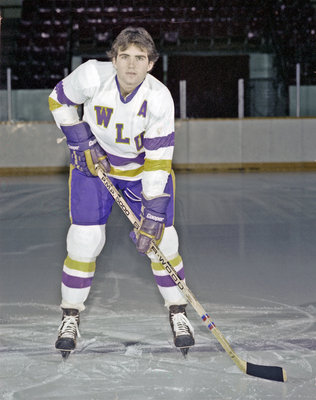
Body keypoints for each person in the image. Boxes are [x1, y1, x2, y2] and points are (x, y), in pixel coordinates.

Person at [48, 26, 194, 357]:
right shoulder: (90, 76)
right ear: (113, 59)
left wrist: (153, 213)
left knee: (163, 241)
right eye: (124, 56)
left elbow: (158, 160)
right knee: (84, 241)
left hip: (143, 172)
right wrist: (79, 137)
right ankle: (70, 314)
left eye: (139, 58)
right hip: (93, 168)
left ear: (151, 63)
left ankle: (178, 312)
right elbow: (59, 100)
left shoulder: (159, 98)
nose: (131, 65)